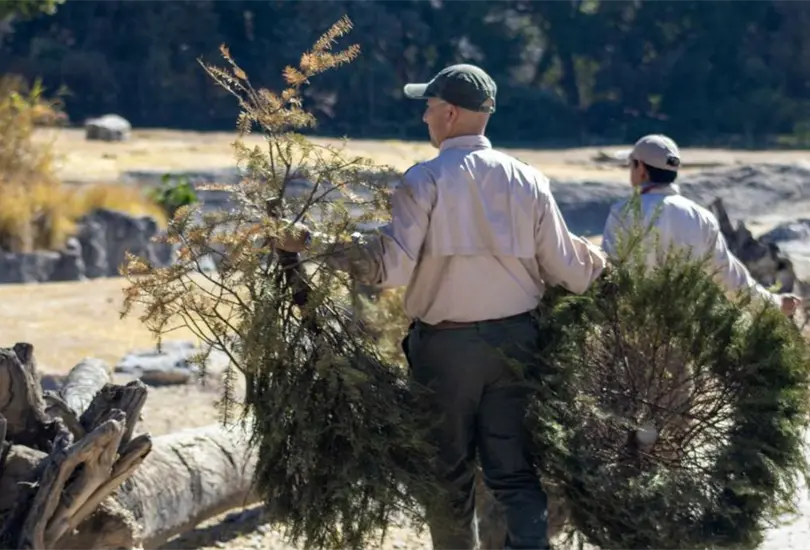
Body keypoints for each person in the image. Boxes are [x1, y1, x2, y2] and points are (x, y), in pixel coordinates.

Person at [275, 63, 607, 549]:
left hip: (447, 351)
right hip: (518, 344)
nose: (424, 118)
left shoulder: (424, 180)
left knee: (447, 479)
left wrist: (312, 242)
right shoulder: (529, 180)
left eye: (429, 108)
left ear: (450, 113)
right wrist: (608, 265)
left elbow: (389, 268)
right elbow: (573, 272)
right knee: (515, 473)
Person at [602, 134, 802, 317]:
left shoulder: (623, 213)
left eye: (632, 164)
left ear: (642, 169)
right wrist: (774, 304)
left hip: (631, 327)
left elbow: (607, 275)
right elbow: (731, 281)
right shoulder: (701, 217)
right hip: (688, 333)